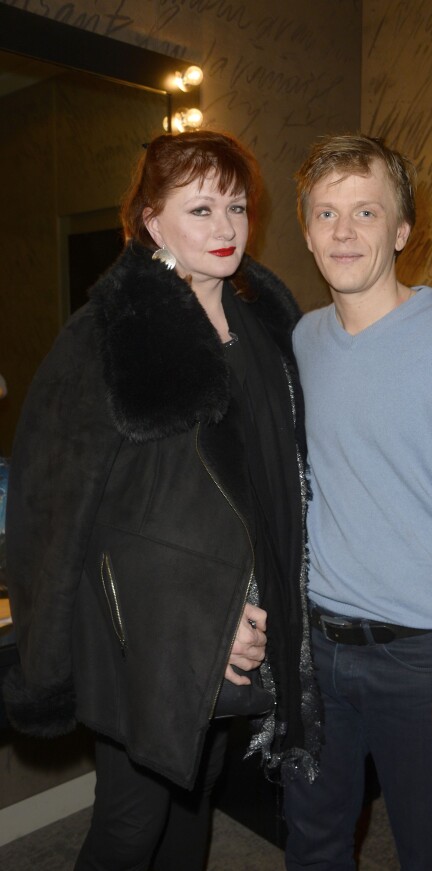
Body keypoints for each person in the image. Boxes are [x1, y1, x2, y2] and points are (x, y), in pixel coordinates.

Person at [3, 130, 320, 871]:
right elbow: (56, 510)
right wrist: (206, 624)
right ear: (151, 220)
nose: (225, 227)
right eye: (200, 207)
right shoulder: (107, 335)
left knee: (196, 794)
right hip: (141, 637)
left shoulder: (263, 328)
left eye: (236, 207)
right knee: (131, 817)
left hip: (246, 624)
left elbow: (269, 490)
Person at [283, 134, 432, 871]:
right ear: (306, 232)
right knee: (313, 841)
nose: (344, 232)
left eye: (366, 211)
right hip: (317, 646)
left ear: (401, 230)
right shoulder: (301, 339)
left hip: (421, 654)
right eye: (326, 214)